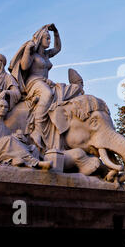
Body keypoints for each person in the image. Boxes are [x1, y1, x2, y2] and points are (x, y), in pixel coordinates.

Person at [9, 24, 83, 152]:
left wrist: (56, 33)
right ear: (39, 39)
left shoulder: (47, 54)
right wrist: (27, 50)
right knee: (48, 94)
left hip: (46, 82)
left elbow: (58, 48)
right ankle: (37, 129)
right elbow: (25, 66)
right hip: (34, 82)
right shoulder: (33, 52)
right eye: (47, 38)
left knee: (71, 90)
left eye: (49, 38)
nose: (49, 41)